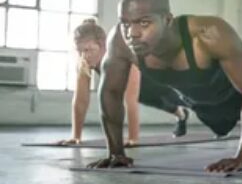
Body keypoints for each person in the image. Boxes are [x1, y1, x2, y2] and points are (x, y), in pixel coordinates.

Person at [88, 0, 242, 173]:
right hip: (200, 103)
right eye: (125, 23)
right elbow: (111, 92)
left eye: (144, 23)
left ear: (167, 20)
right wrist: (116, 153)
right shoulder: (120, 41)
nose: (132, 33)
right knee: (217, 126)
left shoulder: (209, 33)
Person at [58, 18, 189, 146]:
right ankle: (181, 115)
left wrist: (133, 139)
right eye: (79, 51)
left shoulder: (121, 54)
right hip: (138, 88)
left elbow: (130, 100)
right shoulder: (84, 62)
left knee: (187, 100)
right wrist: (76, 136)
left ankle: (185, 110)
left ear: (103, 46)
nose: (84, 56)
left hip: (157, 78)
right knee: (154, 101)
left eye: (88, 50)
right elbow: (81, 101)